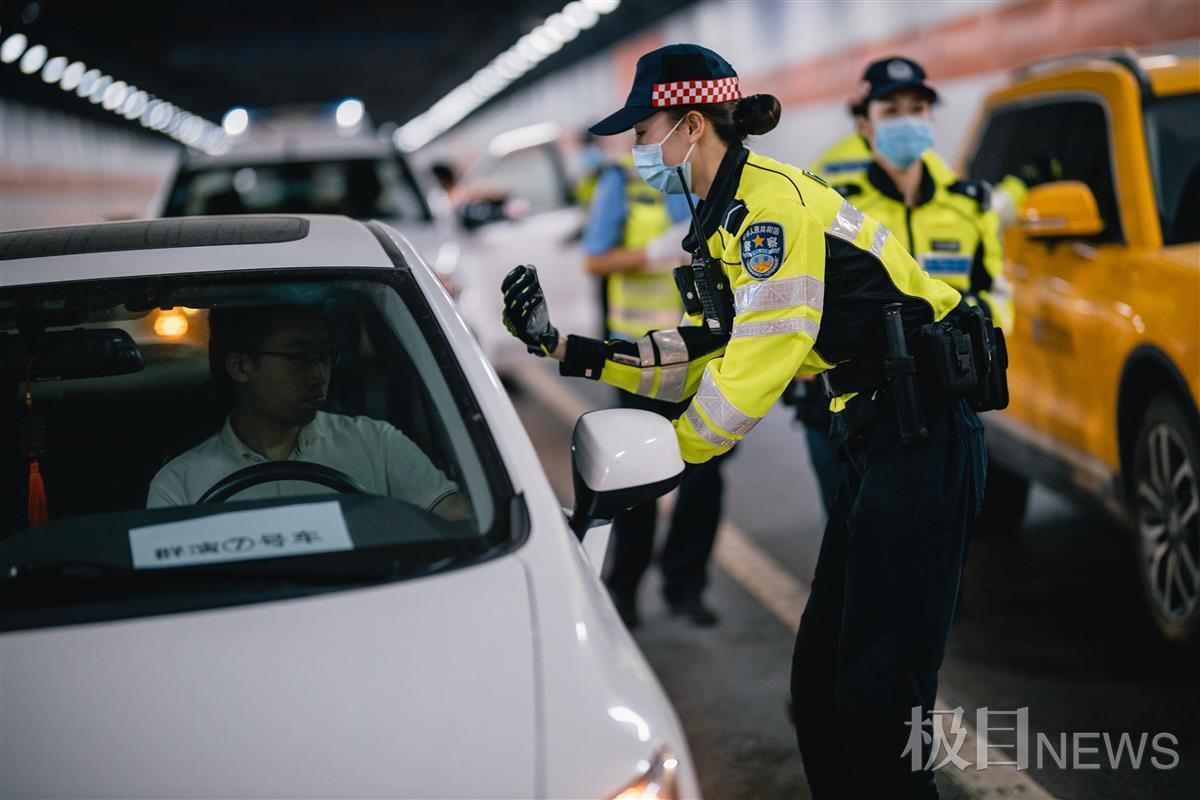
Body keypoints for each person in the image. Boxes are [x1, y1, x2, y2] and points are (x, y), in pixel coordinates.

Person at [501, 44, 995, 798]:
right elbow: (706, 349)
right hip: (876, 437)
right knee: (821, 684)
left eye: (643, 131)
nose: (635, 149)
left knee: (878, 695)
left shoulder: (769, 208)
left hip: (921, 438)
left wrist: (672, 454)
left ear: (691, 125)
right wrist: (568, 348)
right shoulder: (724, 214)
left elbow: (765, 353)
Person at [795, 57, 1011, 515]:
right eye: (890, 111)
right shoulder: (836, 211)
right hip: (850, 408)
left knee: (941, 536)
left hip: (945, 399)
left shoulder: (969, 208)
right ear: (865, 125)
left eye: (917, 108)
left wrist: (965, 329)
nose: (907, 121)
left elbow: (998, 295)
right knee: (856, 535)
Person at [148, 306, 472, 521]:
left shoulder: (377, 443)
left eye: (325, 355)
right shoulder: (180, 484)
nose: (319, 374)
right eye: (298, 357)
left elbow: (456, 518)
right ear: (240, 367)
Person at [581, 147, 726, 628]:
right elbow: (594, 260)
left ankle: (686, 586)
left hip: (703, 356)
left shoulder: (715, 174)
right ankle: (624, 588)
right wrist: (653, 253)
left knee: (705, 476)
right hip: (642, 357)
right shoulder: (622, 181)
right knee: (639, 476)